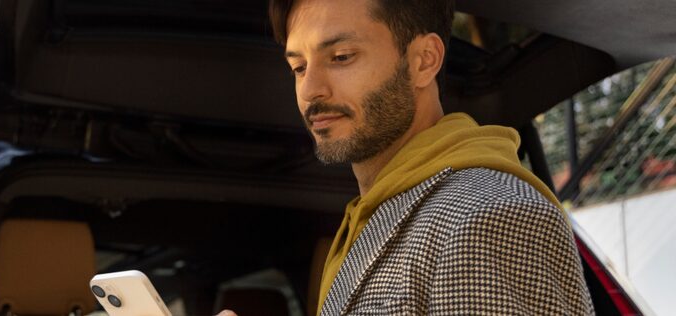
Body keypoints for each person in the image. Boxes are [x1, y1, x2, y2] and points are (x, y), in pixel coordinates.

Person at [219, 0, 593, 314]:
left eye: (341, 56)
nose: (310, 89)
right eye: (298, 67)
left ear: (423, 61)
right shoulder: (372, 222)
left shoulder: (486, 217)